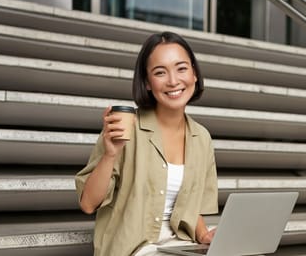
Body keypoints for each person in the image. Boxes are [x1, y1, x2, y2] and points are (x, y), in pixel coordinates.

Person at [75, 31, 218, 256]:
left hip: (180, 248)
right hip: (134, 250)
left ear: (195, 74)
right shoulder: (125, 128)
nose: (173, 81)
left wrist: (204, 235)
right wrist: (110, 154)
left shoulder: (202, 138)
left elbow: (192, 209)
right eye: (160, 72)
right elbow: (88, 204)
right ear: (147, 83)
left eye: (181, 68)